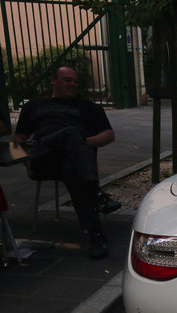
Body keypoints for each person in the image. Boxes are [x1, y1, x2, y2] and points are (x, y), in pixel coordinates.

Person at [13, 66, 121, 259]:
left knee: (73, 170)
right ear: (53, 81)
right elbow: (18, 139)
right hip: (43, 155)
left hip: (73, 161)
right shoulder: (35, 106)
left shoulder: (88, 107)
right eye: (67, 80)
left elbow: (109, 135)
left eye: (75, 81)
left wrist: (79, 143)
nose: (72, 84)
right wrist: (26, 163)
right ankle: (97, 195)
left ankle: (96, 235)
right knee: (71, 132)